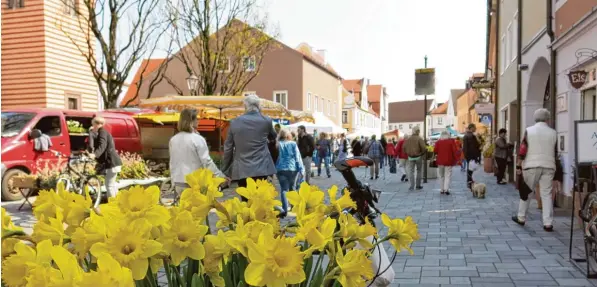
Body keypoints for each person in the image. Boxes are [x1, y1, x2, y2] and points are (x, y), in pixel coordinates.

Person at [512, 109, 562, 232]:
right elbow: (556, 152)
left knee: (527, 192)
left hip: (532, 165)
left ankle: (521, 217)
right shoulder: (553, 133)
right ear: (547, 119)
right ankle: (548, 223)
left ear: (535, 118)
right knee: (546, 194)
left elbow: (523, 149)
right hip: (549, 165)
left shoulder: (529, 131)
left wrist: (518, 166)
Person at [222, 95, 277, 194]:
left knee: (245, 201)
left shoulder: (234, 122)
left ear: (245, 106)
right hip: (262, 168)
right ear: (259, 106)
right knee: (261, 200)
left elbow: (228, 148)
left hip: (242, 170)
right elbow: (273, 137)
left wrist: (225, 169)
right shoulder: (266, 121)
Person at [169, 109, 226, 195]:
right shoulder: (198, 139)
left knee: (183, 207)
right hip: (194, 183)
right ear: (191, 121)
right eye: (197, 119)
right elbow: (207, 162)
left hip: (178, 182)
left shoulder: (173, 140)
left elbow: (172, 163)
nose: (198, 121)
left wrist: (173, 181)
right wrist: (220, 177)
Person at [88, 116, 122, 198]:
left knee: (109, 185)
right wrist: (91, 133)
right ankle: (117, 203)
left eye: (93, 124)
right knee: (112, 185)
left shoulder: (102, 132)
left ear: (96, 124)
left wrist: (95, 154)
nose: (92, 126)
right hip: (114, 161)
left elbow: (102, 145)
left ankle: (112, 205)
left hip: (112, 162)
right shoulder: (103, 132)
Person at [275, 129, 304, 217]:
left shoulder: (277, 144)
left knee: (284, 189)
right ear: (288, 136)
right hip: (292, 168)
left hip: (280, 168)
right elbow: (297, 157)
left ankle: (284, 209)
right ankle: (293, 207)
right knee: (292, 188)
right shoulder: (293, 144)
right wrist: (301, 169)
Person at [434, 131, 458, 195]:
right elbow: (454, 151)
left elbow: (435, 151)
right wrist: (457, 159)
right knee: (447, 175)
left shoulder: (438, 142)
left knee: (441, 175)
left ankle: (441, 189)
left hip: (440, 161)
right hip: (448, 161)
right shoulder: (451, 141)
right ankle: (446, 189)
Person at [463, 123, 481, 190]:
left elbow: (465, 147)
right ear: (471, 128)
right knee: (470, 169)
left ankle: (469, 181)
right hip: (471, 155)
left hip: (470, 155)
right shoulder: (471, 136)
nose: (475, 128)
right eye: (474, 127)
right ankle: (469, 181)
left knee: (470, 168)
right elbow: (468, 147)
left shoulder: (468, 135)